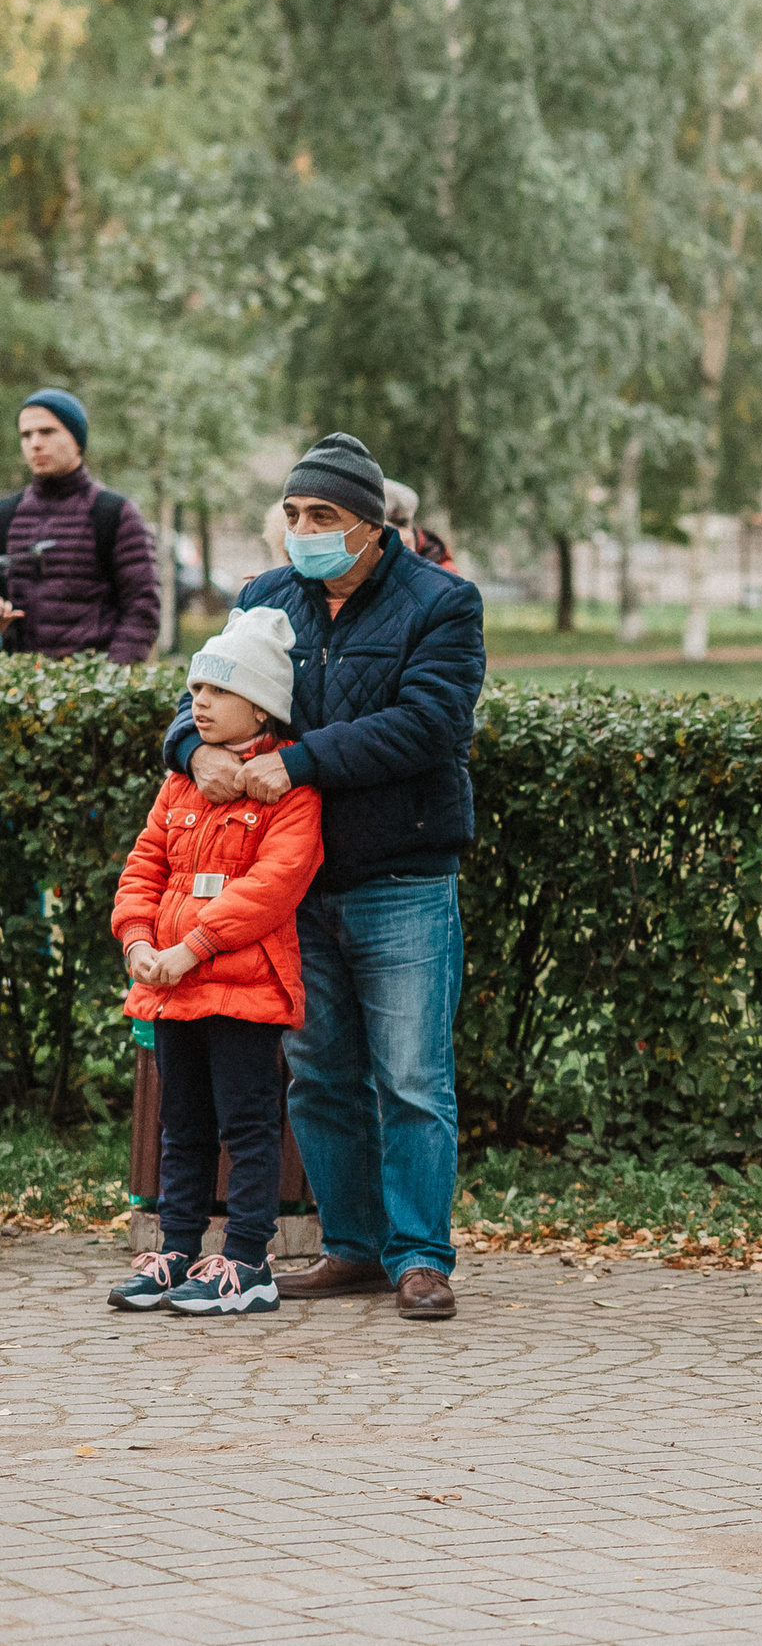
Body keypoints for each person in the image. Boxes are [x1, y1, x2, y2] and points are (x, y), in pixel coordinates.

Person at [161, 433, 487, 1319]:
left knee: (413, 1078)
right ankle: (351, 1247)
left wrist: (298, 760)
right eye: (295, 514)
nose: (304, 530)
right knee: (319, 1074)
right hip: (292, 884)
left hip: (403, 874)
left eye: (324, 516)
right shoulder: (266, 598)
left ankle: (420, 1255)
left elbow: (429, 725)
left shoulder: (442, 603)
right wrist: (195, 751)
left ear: (373, 525)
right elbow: (198, 702)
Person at [107, 608, 325, 1316]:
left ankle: (247, 1262)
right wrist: (139, 940)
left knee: (248, 1125)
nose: (197, 701)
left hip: (242, 992)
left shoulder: (290, 792)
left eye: (216, 689)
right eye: (195, 686)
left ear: (259, 705)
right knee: (183, 1124)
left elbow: (272, 887)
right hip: (170, 989)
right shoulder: (181, 784)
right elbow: (143, 866)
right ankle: (177, 1248)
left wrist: (191, 945)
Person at [3, 388, 160, 662]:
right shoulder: (5, 514)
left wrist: (106, 686)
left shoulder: (114, 513)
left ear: (77, 439)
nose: (35, 443)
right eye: (26, 435)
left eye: (47, 432)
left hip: (90, 690)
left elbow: (142, 609)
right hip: (16, 689)